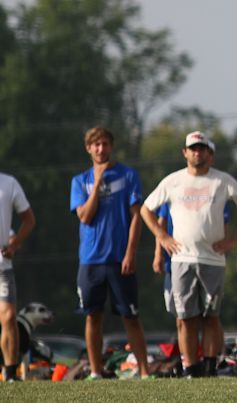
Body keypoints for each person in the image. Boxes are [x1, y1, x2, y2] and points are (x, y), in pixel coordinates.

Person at [141, 131, 237, 378]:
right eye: (193, 149)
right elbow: (146, 210)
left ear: (210, 155)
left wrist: (235, 240)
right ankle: (191, 369)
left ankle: (210, 367)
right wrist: (162, 237)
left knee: (211, 317)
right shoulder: (173, 181)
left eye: (202, 149)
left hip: (212, 260)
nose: (197, 153)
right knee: (186, 319)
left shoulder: (222, 181)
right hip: (182, 260)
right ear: (185, 153)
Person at [70, 126, 152, 380]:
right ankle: (95, 371)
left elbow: (136, 216)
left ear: (111, 146)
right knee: (93, 316)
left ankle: (144, 371)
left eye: (105, 144)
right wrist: (97, 183)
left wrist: (130, 253)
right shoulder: (80, 181)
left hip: (119, 259)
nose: (101, 149)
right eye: (96, 144)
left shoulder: (128, 175)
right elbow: (85, 216)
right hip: (90, 260)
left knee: (130, 316)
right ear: (88, 148)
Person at [1, 172, 34, 382]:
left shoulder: (9, 182)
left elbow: (29, 220)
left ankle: (11, 373)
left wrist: (13, 245)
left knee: (9, 316)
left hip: (2, 266)